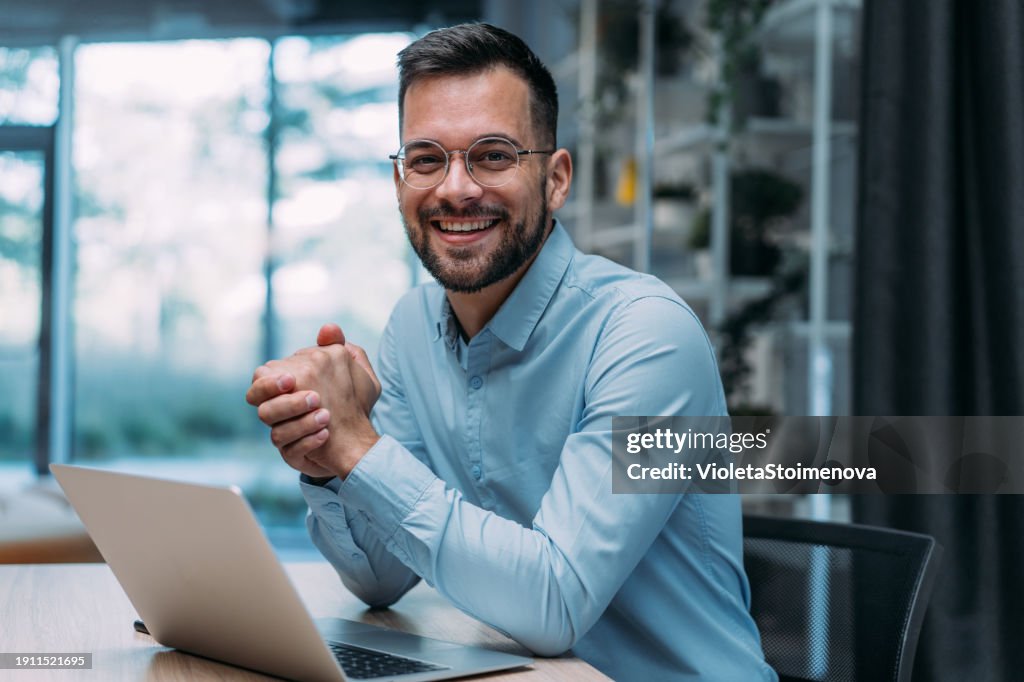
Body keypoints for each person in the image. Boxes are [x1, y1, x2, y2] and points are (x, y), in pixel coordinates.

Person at [245, 22, 775, 681]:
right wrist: (328, 458)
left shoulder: (645, 333)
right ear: (399, 179)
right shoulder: (412, 328)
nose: (455, 189)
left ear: (555, 179)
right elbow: (381, 578)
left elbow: (553, 603)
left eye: (492, 156)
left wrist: (363, 451)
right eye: (427, 158)